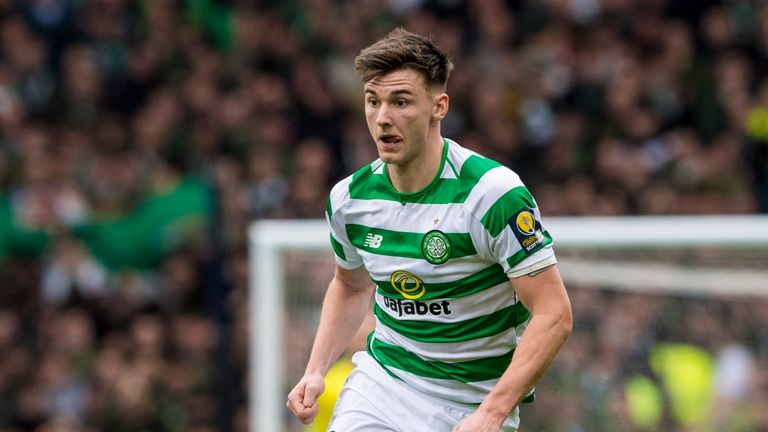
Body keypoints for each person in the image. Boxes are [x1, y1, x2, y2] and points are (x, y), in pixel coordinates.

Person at [286, 27, 573, 432]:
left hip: (474, 402)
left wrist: (492, 413)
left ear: (440, 107)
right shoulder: (349, 200)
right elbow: (350, 286)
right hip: (385, 384)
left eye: (401, 102)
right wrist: (316, 370)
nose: (383, 118)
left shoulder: (491, 194)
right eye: (373, 102)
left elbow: (554, 313)